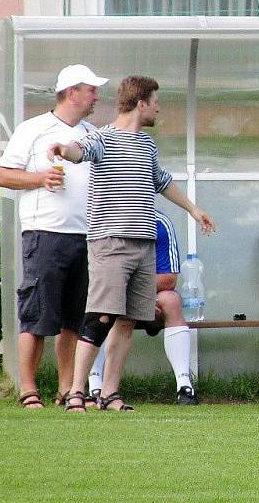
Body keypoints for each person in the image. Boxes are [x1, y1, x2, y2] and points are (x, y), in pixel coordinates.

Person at [47, 75, 215, 412]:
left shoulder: (147, 145)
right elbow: (81, 151)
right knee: (100, 317)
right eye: (155, 102)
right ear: (141, 103)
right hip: (110, 243)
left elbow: (162, 182)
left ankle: (110, 393)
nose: (158, 108)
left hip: (144, 246)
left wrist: (195, 210)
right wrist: (64, 150)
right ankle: (77, 392)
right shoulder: (103, 138)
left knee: (126, 321)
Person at [0, 64, 109, 408]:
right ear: (72, 93)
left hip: (86, 236)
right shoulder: (33, 129)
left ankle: (66, 390)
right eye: (91, 90)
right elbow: (2, 174)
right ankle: (28, 389)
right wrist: (40, 179)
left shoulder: (93, 134)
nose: (96, 97)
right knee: (36, 314)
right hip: (44, 233)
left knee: (74, 317)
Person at [87, 209, 199, 406]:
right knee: (100, 304)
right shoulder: (102, 220)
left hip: (150, 296)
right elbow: (93, 278)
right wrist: (135, 296)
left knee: (171, 301)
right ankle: (95, 384)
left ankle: (184, 385)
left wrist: (143, 295)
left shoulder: (159, 222)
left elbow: (169, 277)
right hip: (115, 296)